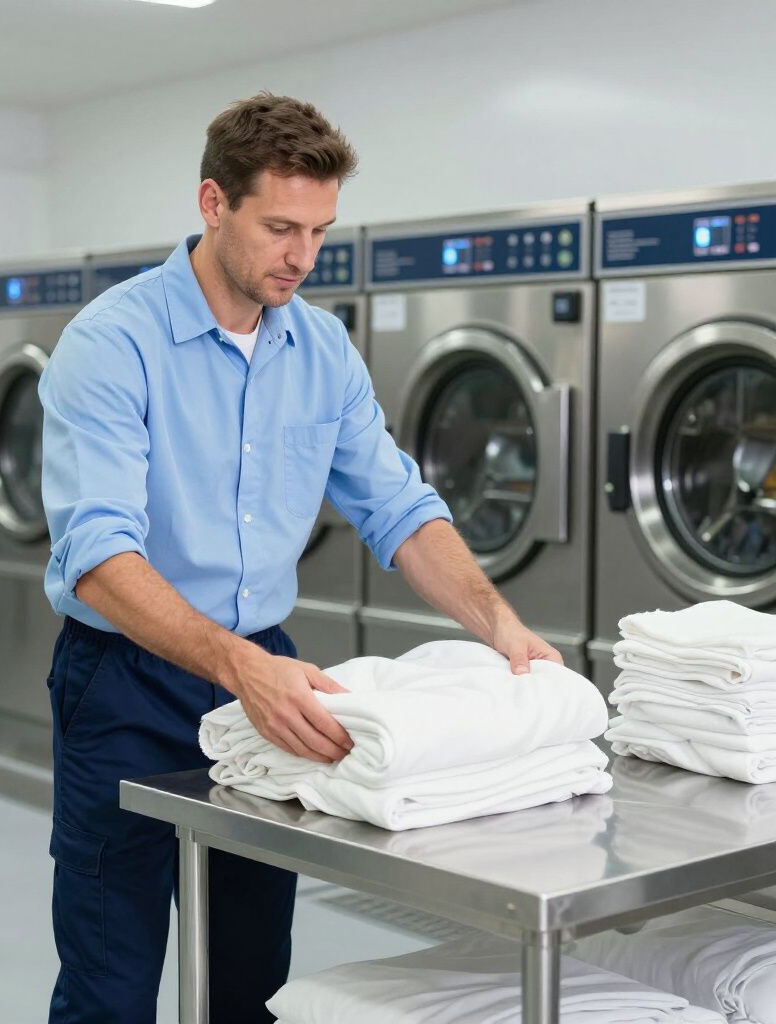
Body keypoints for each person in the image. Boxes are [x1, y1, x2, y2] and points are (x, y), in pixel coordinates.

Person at [38, 91, 562, 1024]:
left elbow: (398, 507)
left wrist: (502, 626)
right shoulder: (112, 343)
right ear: (212, 203)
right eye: (281, 227)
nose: (302, 257)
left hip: (264, 672)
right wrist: (245, 668)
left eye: (320, 231)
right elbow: (97, 553)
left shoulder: (322, 349)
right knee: (111, 981)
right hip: (124, 678)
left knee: (250, 973)